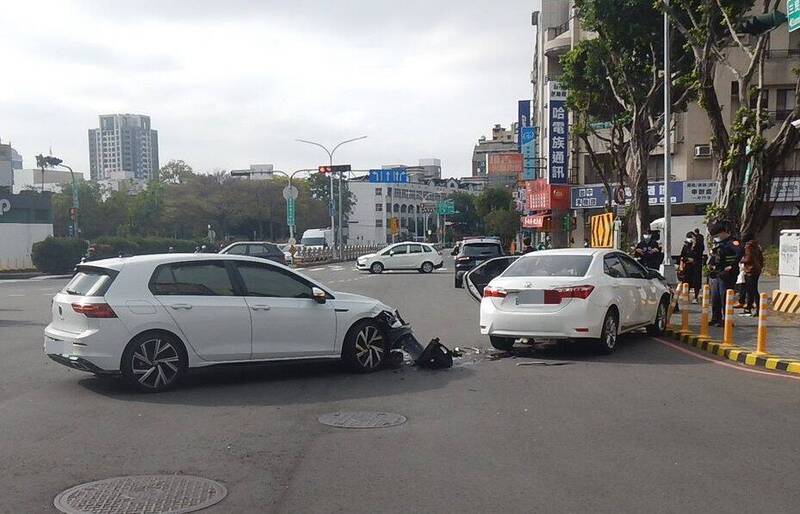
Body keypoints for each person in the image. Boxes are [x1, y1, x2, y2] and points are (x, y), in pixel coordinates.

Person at [707, 223, 743, 327]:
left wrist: (732, 266)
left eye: (716, 235)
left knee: (725, 297)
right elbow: (715, 255)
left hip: (727, 274)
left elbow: (740, 252)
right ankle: (716, 318)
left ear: (723, 232)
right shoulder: (718, 243)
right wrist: (710, 265)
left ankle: (727, 319)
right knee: (715, 297)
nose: (715, 238)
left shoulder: (732, 242)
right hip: (716, 273)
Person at [740, 235, 764, 316]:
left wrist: (741, 260)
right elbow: (761, 258)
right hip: (756, 270)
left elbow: (748, 258)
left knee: (752, 290)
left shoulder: (748, 246)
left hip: (750, 270)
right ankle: (749, 308)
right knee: (752, 290)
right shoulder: (757, 246)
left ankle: (756, 309)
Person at [678, 232, 702, 303]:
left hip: (696, 266)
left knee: (696, 282)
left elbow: (699, 255)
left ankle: (695, 297)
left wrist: (694, 246)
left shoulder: (698, 246)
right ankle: (686, 295)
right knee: (686, 281)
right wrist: (687, 259)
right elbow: (682, 256)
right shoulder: (685, 246)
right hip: (687, 267)